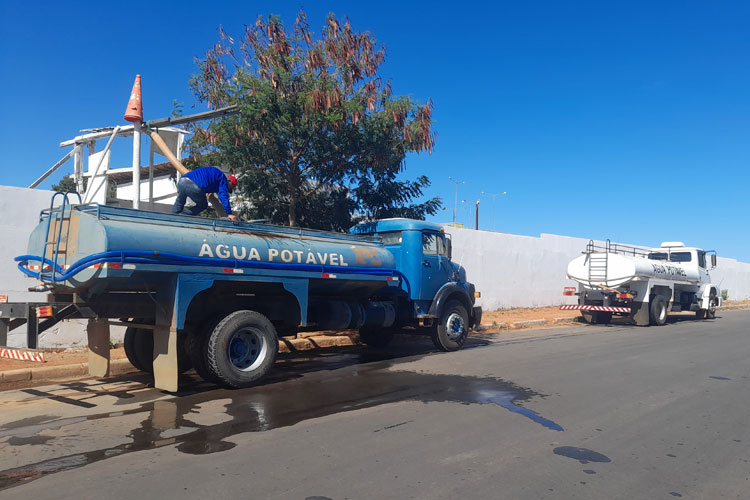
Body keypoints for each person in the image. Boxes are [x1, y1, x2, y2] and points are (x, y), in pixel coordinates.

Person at [172, 166, 238, 221]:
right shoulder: (222, 178)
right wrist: (229, 214)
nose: (226, 190)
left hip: (182, 181)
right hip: (194, 186)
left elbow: (207, 181)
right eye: (229, 188)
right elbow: (223, 196)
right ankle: (183, 215)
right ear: (229, 181)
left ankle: (173, 217)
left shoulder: (215, 173)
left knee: (180, 200)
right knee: (203, 205)